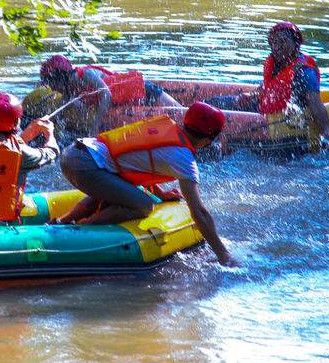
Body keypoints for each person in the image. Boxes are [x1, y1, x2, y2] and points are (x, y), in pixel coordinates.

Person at [55, 102, 235, 265]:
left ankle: (61, 221)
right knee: (143, 205)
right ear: (210, 138)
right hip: (86, 166)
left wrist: (161, 194)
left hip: (75, 153)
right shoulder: (184, 159)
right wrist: (223, 254)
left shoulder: (166, 129)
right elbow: (199, 212)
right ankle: (80, 228)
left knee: (120, 193)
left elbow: (135, 163)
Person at [213, 22, 329, 153]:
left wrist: (328, 135)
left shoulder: (304, 72)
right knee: (214, 103)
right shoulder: (276, 62)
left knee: (218, 117)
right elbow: (272, 87)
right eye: (274, 43)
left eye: (283, 41)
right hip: (263, 107)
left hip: (282, 118)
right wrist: (252, 95)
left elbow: (315, 103)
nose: (277, 47)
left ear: (296, 44)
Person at [0, 92, 60, 225]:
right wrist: (50, 133)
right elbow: (52, 153)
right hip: (1, 224)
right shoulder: (22, 155)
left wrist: (28, 133)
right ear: (16, 122)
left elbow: (1, 150)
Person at [38, 55, 180, 135]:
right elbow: (62, 109)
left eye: (51, 82)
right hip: (130, 101)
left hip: (144, 89)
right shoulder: (70, 89)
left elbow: (106, 95)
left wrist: (95, 126)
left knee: (179, 112)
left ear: (60, 77)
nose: (51, 87)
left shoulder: (84, 74)